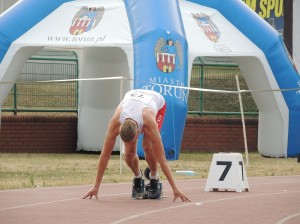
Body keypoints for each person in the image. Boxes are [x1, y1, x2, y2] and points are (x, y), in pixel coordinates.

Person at [82, 89, 191, 202]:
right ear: (120, 128)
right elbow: (104, 155)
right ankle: (138, 177)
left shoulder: (149, 122)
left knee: (148, 147)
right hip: (133, 98)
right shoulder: (115, 121)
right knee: (129, 154)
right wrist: (96, 186)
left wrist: (175, 189)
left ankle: (154, 178)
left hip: (155, 102)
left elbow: (162, 159)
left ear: (138, 132)